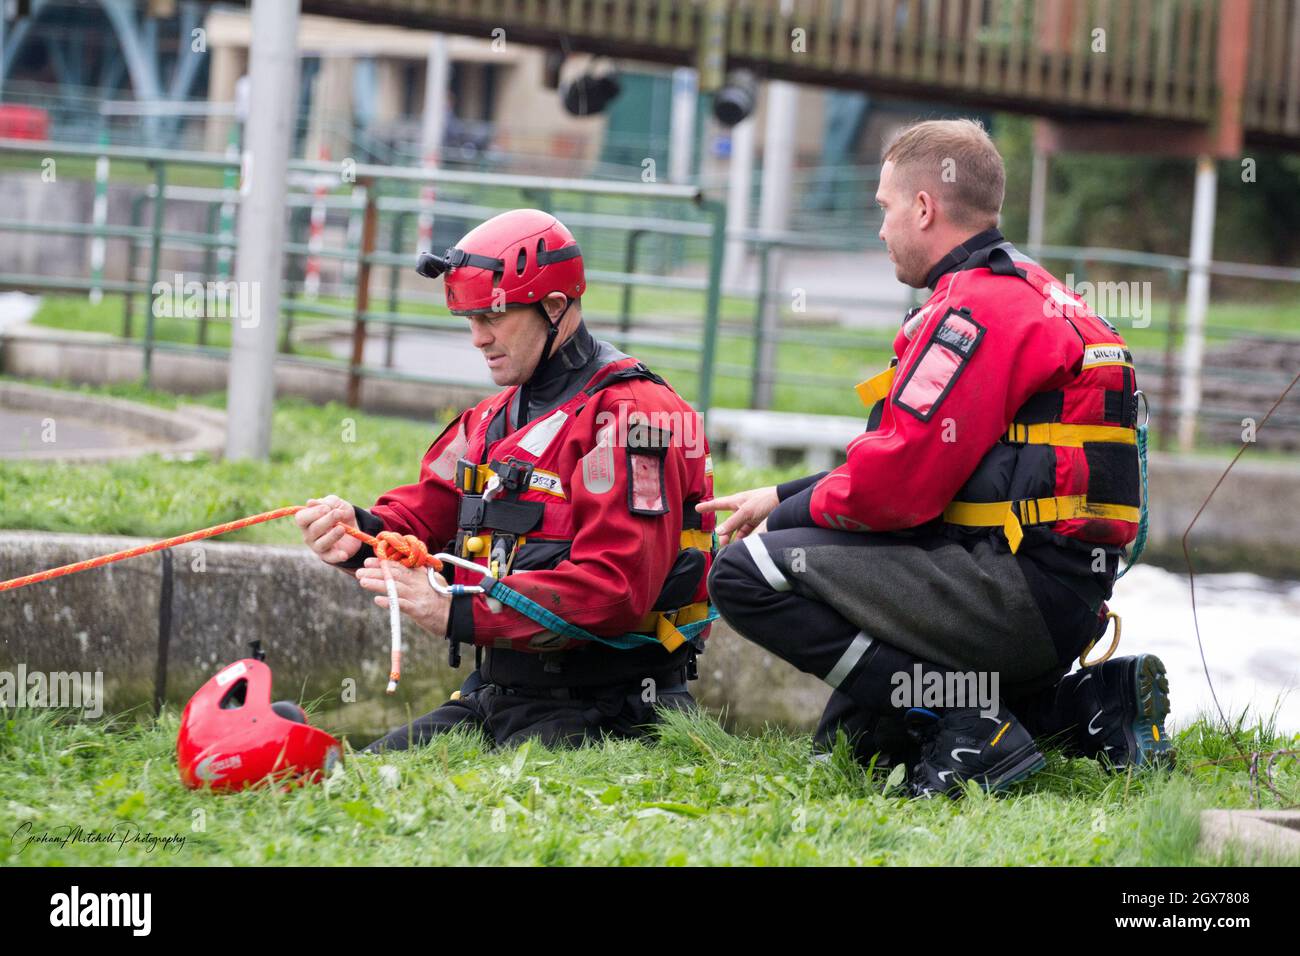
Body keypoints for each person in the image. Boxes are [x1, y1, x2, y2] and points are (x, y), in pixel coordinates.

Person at [702, 119, 1173, 798]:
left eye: (886, 208)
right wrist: (781, 497)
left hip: (1012, 597)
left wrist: (787, 519)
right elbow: (938, 467)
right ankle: (1094, 704)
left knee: (749, 574)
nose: (881, 228)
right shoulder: (1038, 296)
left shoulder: (974, 312)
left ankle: (962, 718)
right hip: (1060, 597)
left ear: (924, 208)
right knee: (856, 742)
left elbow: (894, 493)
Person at [296, 209, 717, 751]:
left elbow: (615, 592)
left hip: (613, 710)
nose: (477, 338)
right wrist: (355, 534)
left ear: (555, 308)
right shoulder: (488, 420)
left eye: (493, 318)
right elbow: (420, 518)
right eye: (470, 320)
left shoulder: (635, 418)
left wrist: (453, 610)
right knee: (353, 779)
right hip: (495, 694)